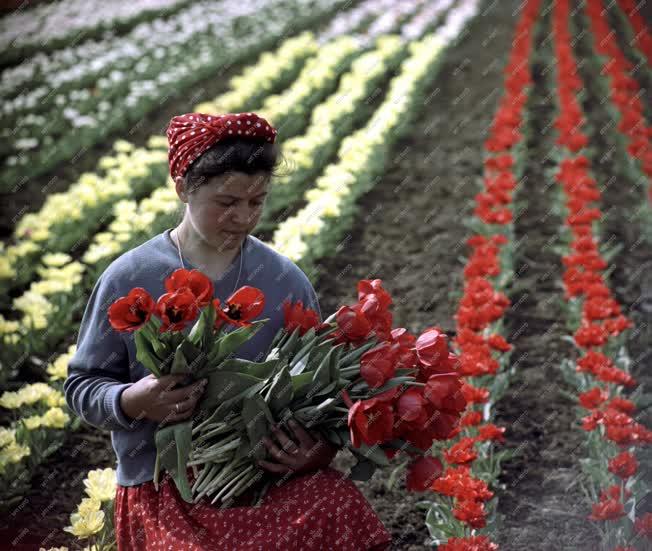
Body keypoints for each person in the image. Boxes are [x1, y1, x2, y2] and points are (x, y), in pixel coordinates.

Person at [63, 111, 393, 550]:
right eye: (226, 202)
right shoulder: (130, 278)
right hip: (165, 487)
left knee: (336, 502)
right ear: (182, 188)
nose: (243, 217)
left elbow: (324, 395)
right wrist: (133, 401)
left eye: (256, 202)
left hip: (265, 481)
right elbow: (81, 387)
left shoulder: (283, 280)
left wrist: (316, 452)